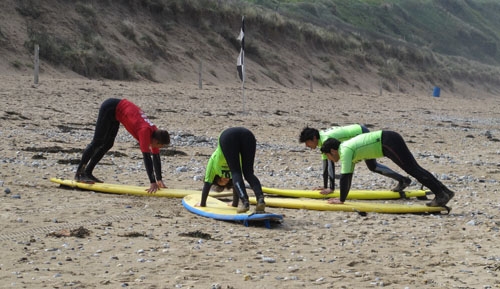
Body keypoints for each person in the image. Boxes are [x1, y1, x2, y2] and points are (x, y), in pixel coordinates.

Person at [320, 130, 455, 207]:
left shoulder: (345, 151)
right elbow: (347, 177)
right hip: (388, 141)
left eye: (328, 156)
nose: (330, 160)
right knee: (414, 168)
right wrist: (343, 197)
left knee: (413, 169)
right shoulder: (346, 148)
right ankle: (445, 192)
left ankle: (440, 194)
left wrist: (342, 200)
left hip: (387, 141)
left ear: (333, 151)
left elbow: (345, 177)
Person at [74, 98, 170, 193]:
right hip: (110, 107)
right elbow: (147, 157)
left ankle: (88, 172)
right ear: (156, 141)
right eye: (159, 146)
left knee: (108, 144)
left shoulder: (156, 133)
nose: (157, 149)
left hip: (117, 114)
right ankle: (79, 173)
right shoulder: (145, 131)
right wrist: (152, 182)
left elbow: (156, 157)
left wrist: (159, 179)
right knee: (97, 142)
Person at [299, 125, 411, 194]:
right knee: (369, 166)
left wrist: (331, 189)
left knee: (373, 166)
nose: (306, 146)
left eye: (306, 142)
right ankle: (402, 179)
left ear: (313, 138)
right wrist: (325, 186)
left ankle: (402, 180)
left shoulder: (326, 140)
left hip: (361, 132)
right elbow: (326, 166)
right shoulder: (322, 141)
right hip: (356, 134)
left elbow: (330, 166)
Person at [197, 127, 266, 213]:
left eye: (221, 183)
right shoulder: (232, 178)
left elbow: (207, 184)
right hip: (247, 134)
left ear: (216, 180)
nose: (225, 180)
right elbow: (236, 185)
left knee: (236, 173)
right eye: (225, 184)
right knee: (248, 173)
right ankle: (260, 200)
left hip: (227, 136)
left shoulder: (213, 163)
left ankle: (245, 203)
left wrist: (202, 203)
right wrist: (234, 203)